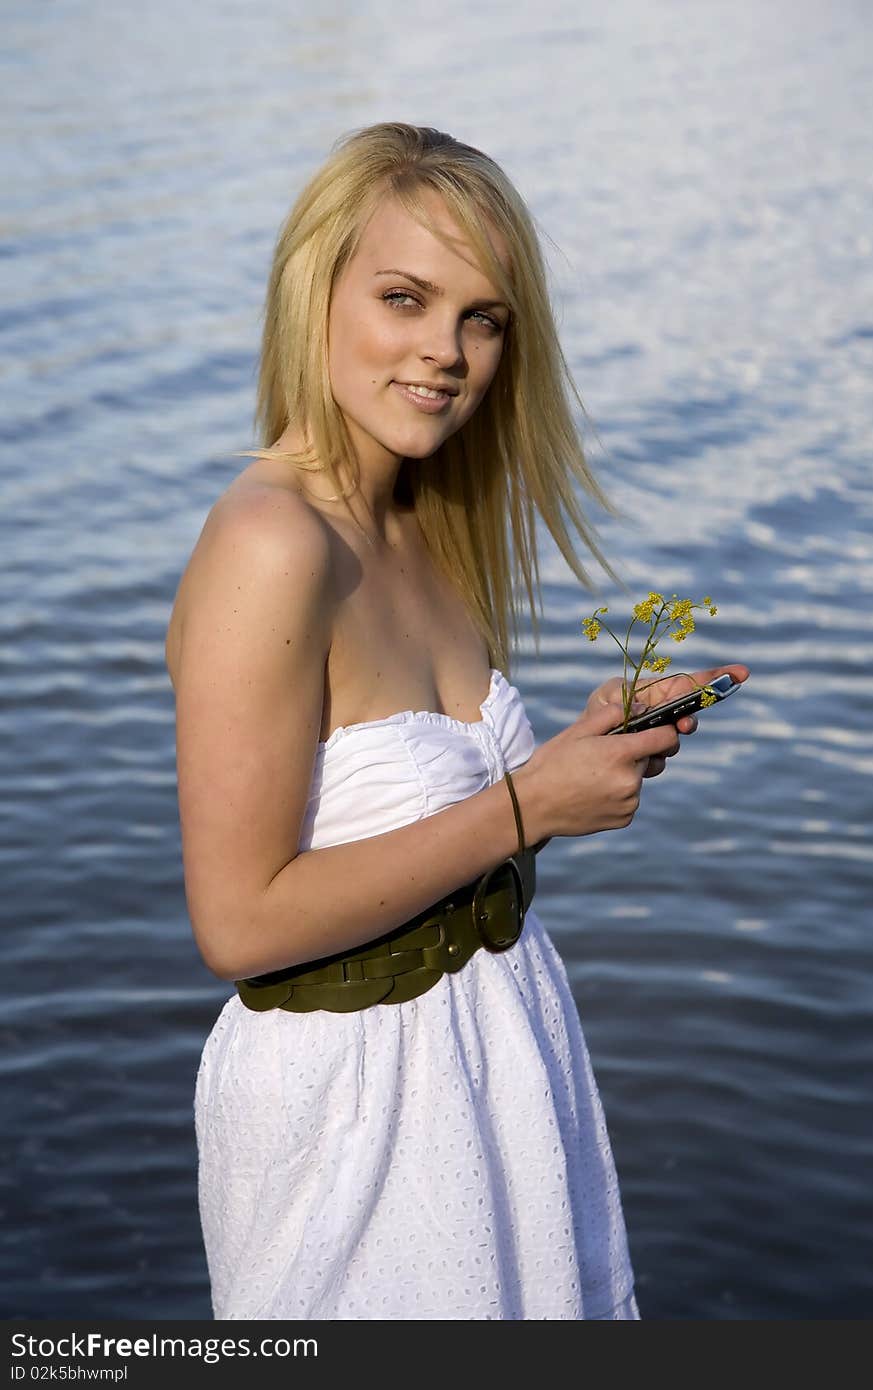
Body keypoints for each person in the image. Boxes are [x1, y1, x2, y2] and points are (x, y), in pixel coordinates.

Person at [165, 121, 749, 1321]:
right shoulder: (270, 543)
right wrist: (527, 804)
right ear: (313, 291)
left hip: (497, 1055)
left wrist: (565, 762)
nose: (447, 353)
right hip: (353, 1112)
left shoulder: (422, 517)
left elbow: (418, 825)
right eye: (403, 298)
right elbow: (236, 922)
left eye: (483, 318)